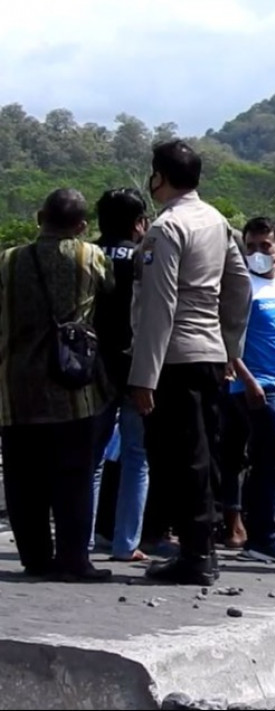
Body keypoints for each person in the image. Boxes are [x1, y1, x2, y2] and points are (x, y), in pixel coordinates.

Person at [130, 140, 253, 586]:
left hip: (173, 358)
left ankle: (195, 556)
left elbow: (158, 305)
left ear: (159, 176)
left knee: (179, 459)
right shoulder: (217, 222)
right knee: (203, 455)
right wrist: (230, 347)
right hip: (209, 353)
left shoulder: (166, 227)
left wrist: (143, 374)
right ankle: (202, 550)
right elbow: (240, 289)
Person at [0, 188, 114, 581]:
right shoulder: (90, 257)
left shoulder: (8, 261)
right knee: (73, 476)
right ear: (81, 227)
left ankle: (34, 557)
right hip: (72, 386)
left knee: (22, 477)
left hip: (15, 388)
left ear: (38, 217)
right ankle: (73, 559)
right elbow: (111, 294)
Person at [228, 217, 275, 564]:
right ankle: (264, 536)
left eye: (264, 246)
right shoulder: (240, 287)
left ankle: (264, 534)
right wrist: (247, 380)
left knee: (269, 461)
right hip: (255, 386)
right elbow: (227, 340)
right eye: (251, 246)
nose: (257, 253)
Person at [90, 188, 152, 563]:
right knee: (136, 456)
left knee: (91, 458)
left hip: (92, 367)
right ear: (138, 222)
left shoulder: (88, 255)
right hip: (136, 365)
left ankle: (81, 539)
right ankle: (126, 543)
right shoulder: (143, 257)